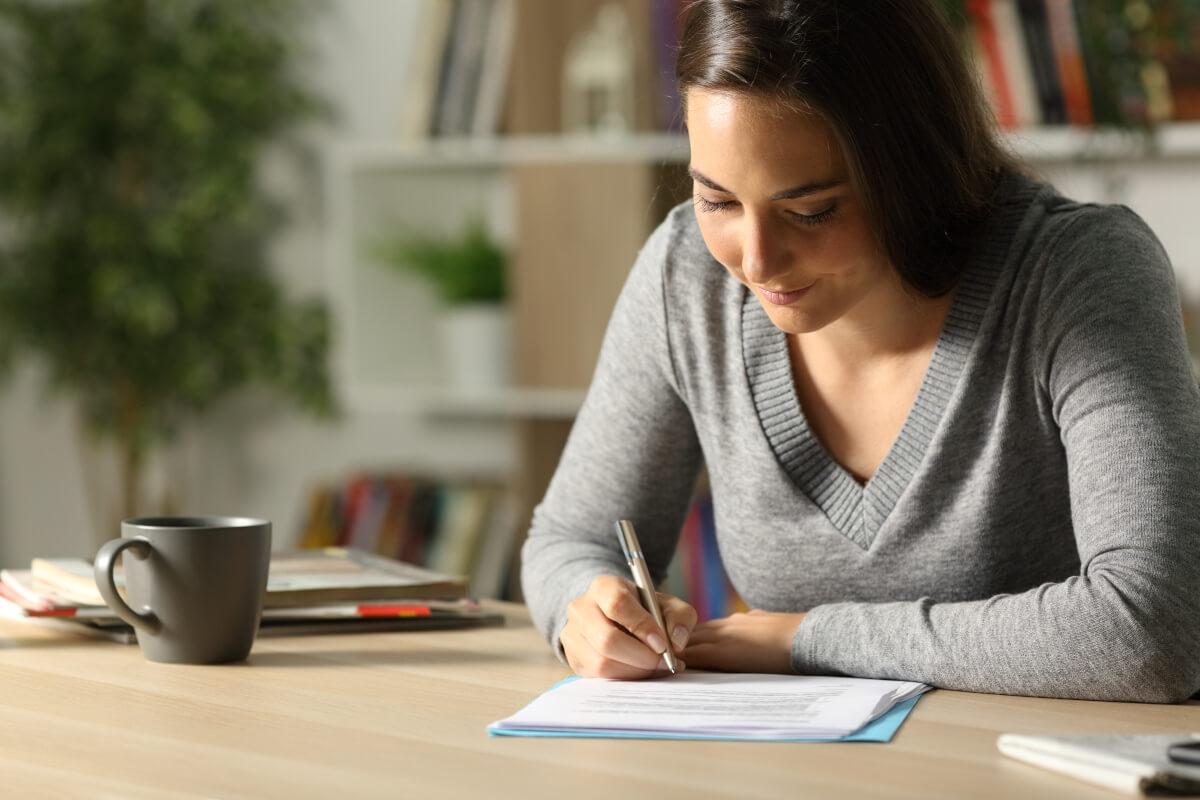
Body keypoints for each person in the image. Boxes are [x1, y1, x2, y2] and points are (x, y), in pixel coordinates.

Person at [520, 0, 1200, 702]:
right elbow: (570, 539)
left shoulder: (1076, 274)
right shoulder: (685, 277)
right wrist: (588, 611)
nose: (755, 261)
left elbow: (1153, 629)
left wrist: (803, 638)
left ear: (913, 170)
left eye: (810, 211)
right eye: (717, 200)